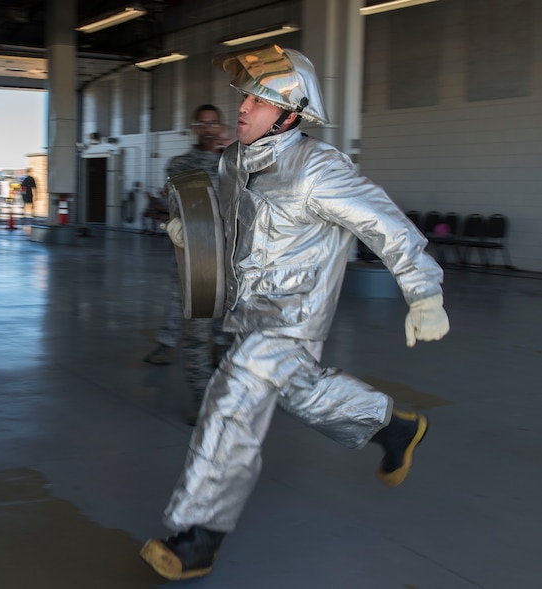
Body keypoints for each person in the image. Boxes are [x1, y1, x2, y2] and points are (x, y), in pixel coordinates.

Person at [140, 44, 450, 581]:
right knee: (300, 390)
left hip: (293, 316)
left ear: (290, 113)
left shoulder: (318, 168)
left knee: (231, 400)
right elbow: (233, 230)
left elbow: (384, 223)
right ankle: (391, 428)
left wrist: (424, 291)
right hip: (249, 313)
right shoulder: (235, 161)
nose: (242, 107)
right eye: (244, 96)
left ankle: (197, 536)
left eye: (258, 100)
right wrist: (190, 232)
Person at [143, 104, 235, 425]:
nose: (209, 129)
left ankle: (224, 400)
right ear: (194, 127)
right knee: (197, 337)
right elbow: (177, 211)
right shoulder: (180, 164)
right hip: (199, 262)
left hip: (234, 264)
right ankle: (202, 401)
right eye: (202, 124)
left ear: (221, 126)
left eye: (214, 123)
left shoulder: (235, 161)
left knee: (227, 340)